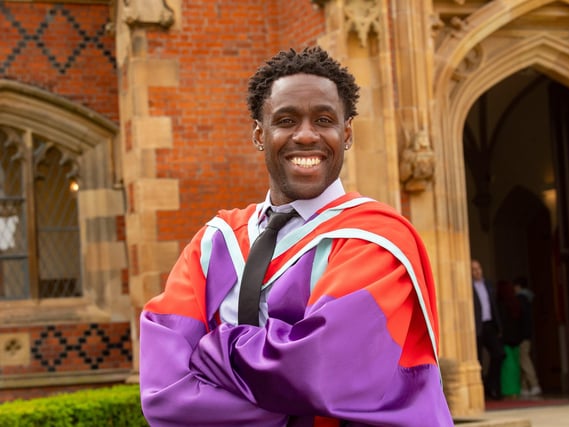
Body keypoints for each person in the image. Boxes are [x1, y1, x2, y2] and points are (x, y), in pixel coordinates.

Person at [139, 47, 453, 426]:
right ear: (260, 133)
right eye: (286, 120)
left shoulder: (377, 241)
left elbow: (319, 373)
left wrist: (215, 347)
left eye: (324, 119)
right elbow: (163, 396)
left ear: (347, 132)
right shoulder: (214, 244)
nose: (306, 136)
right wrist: (290, 409)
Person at [471, 259, 505, 401]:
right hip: (476, 327)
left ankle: (492, 385)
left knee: (499, 354)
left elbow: (494, 306)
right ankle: (482, 393)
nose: (477, 271)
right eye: (473, 269)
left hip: (489, 325)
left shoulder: (488, 285)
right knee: (478, 360)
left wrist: (499, 326)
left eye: (479, 268)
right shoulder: (468, 287)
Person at [513, 276, 542, 397]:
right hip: (528, 334)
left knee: (525, 360)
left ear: (518, 286)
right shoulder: (529, 299)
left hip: (523, 335)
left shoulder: (520, 299)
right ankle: (524, 387)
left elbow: (521, 320)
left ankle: (534, 384)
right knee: (523, 359)